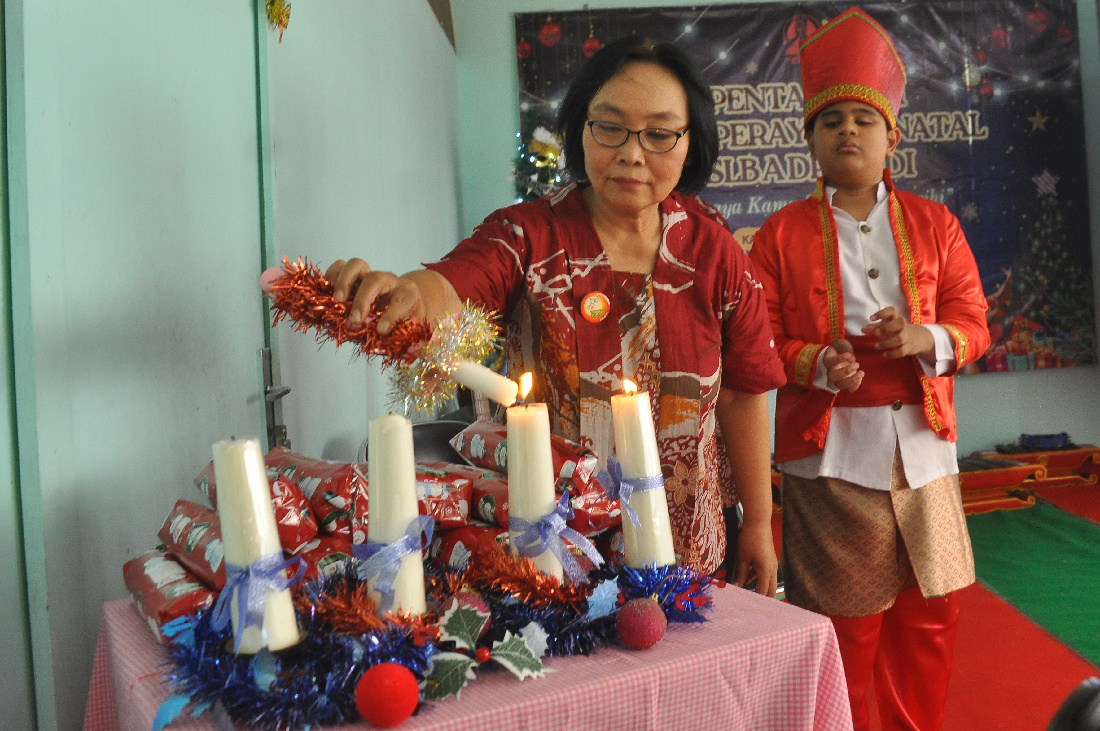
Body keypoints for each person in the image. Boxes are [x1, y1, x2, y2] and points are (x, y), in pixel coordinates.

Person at [326, 36, 786, 593]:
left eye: (660, 133)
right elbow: (457, 282)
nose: (632, 154)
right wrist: (410, 295)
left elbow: (743, 393)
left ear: (691, 142)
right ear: (580, 128)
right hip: (549, 562)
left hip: (691, 555)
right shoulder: (528, 235)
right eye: (610, 126)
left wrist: (759, 524)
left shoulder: (716, 255)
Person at [749, 8, 991, 730]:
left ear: (891, 136)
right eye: (831, 121)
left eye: (863, 118)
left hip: (926, 451)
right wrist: (819, 362)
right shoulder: (780, 232)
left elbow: (975, 324)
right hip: (830, 459)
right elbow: (759, 337)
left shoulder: (935, 224)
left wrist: (924, 336)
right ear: (812, 142)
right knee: (844, 628)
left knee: (932, 617)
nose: (847, 131)